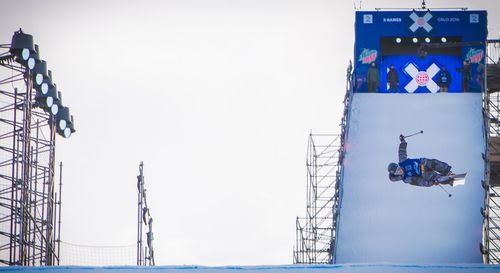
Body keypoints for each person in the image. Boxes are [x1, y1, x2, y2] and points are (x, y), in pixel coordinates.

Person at [387, 135, 454, 187]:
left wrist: (402, 141)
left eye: (398, 169)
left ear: (398, 166)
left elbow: (402, 151)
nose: (400, 171)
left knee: (433, 163)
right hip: (423, 173)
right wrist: (430, 183)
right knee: (432, 178)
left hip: (422, 163)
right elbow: (419, 182)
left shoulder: (402, 161)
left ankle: (447, 171)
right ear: (397, 175)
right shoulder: (406, 178)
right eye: (398, 172)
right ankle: (448, 180)